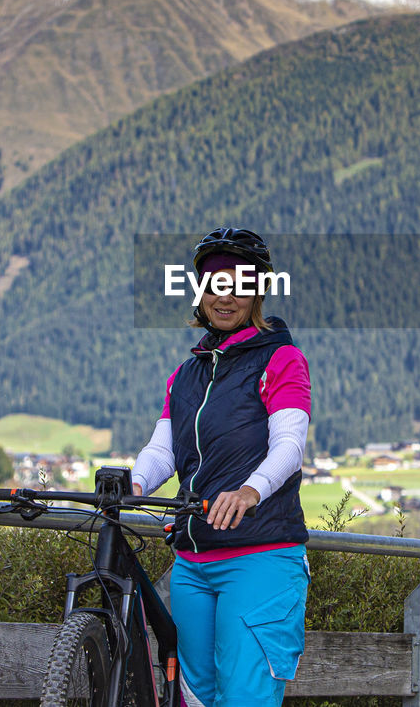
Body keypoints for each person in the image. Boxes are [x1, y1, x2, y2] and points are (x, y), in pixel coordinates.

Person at [131, 227, 311, 707]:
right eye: (214, 285)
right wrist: (133, 482)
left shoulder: (282, 359)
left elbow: (290, 446)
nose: (224, 297)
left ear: (257, 292)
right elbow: (163, 450)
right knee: (196, 699)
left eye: (238, 285)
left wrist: (250, 491)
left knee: (245, 699)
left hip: (260, 556)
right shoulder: (187, 374)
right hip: (192, 564)